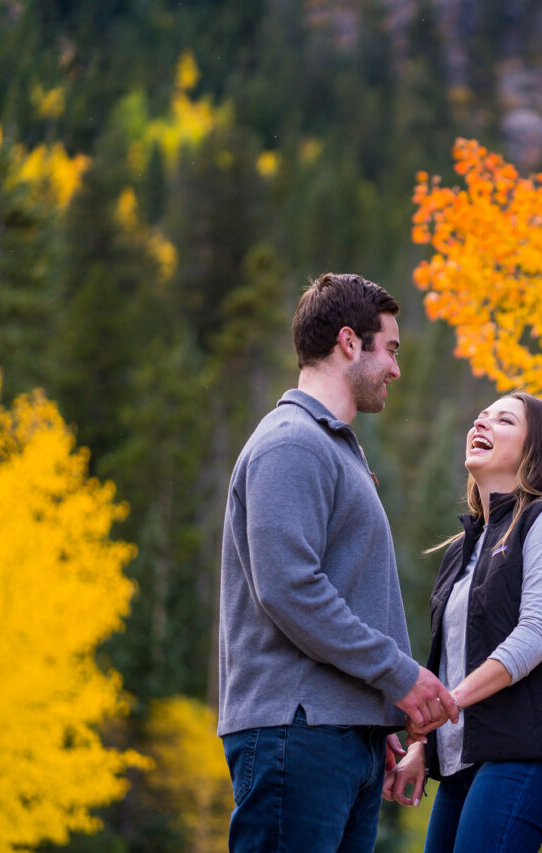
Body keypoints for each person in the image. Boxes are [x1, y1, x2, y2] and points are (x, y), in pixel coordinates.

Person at [218, 272, 458, 853]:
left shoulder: (330, 447)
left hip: (336, 735)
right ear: (350, 342)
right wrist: (399, 676)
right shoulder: (292, 442)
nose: (396, 370)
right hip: (296, 734)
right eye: (391, 349)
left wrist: (369, 712)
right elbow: (290, 589)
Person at [385, 391, 542, 852]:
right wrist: (422, 747)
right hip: (464, 763)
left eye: (504, 420)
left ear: (536, 451)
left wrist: (446, 704)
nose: (482, 423)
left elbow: (537, 634)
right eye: (480, 416)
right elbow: (452, 658)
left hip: (527, 753)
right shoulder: (461, 549)